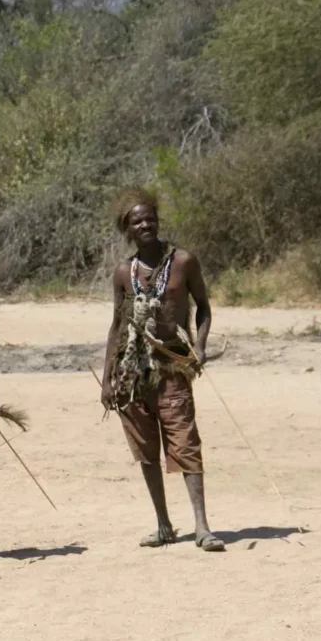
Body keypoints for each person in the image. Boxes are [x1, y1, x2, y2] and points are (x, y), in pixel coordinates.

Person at [100, 187, 225, 552]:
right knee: (146, 449)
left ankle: (202, 527)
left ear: (158, 221)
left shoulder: (184, 262)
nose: (145, 224)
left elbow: (203, 306)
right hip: (132, 373)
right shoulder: (125, 273)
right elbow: (116, 325)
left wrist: (199, 346)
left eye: (149, 218)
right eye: (137, 221)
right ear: (128, 229)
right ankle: (163, 524)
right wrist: (107, 379)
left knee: (185, 443)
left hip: (171, 366)